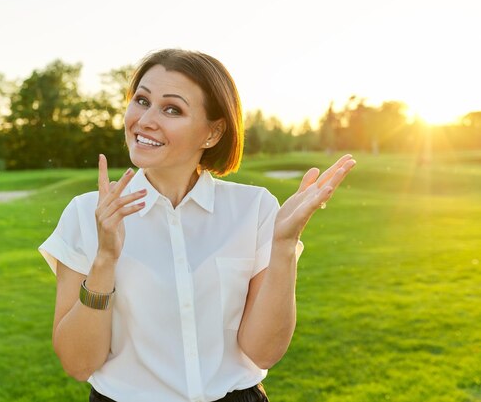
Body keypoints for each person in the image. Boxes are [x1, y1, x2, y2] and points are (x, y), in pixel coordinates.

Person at [39, 49, 356, 402]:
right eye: (141, 100)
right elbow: (78, 364)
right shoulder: (85, 214)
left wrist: (283, 245)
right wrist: (104, 261)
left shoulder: (255, 209)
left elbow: (263, 352)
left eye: (172, 109)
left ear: (213, 132)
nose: (145, 119)